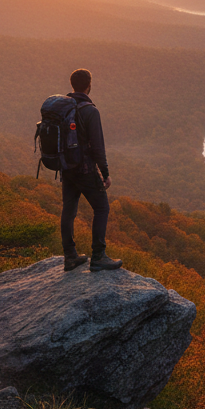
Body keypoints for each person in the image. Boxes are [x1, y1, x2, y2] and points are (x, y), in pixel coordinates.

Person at [60, 68, 123, 272]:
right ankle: (98, 256)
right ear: (89, 85)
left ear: (72, 85)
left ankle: (70, 256)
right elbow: (97, 147)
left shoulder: (62, 108)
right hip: (85, 169)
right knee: (102, 208)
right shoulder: (90, 111)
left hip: (66, 169)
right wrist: (105, 173)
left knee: (68, 211)